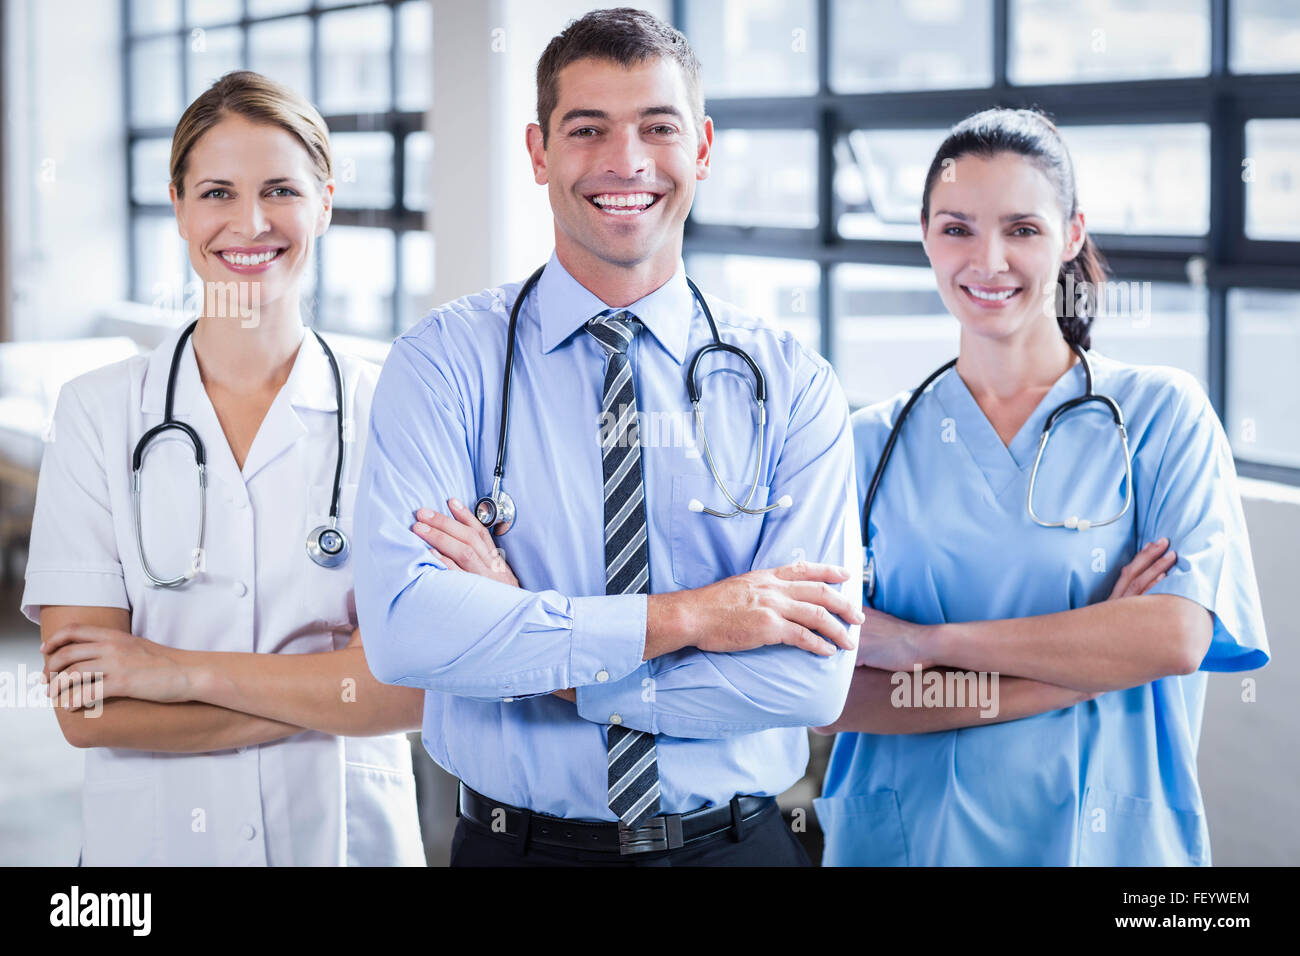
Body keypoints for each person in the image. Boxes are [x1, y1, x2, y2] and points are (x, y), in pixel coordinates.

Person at [354, 8, 862, 867]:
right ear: (539, 151)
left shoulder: (791, 384)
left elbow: (805, 679)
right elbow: (410, 632)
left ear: (700, 147)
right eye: (588, 129)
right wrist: (695, 617)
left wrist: (538, 656)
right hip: (517, 851)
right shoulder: (443, 364)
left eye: (656, 128)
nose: (626, 163)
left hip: (736, 848)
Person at [814, 107, 1270, 866]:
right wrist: (1088, 661)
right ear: (925, 234)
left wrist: (924, 645)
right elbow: (833, 695)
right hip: (908, 843)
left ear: (1071, 234)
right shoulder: (866, 445)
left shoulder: (1160, 415)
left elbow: (1177, 637)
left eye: (1022, 229)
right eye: (958, 228)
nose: (988, 261)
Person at [24, 71, 425, 866]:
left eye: (280, 189)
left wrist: (173, 674)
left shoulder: (398, 408)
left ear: (326, 202)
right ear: (177, 205)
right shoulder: (98, 412)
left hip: (347, 842)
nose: (250, 222)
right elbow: (88, 709)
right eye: (216, 192)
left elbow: (419, 691)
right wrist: (335, 690)